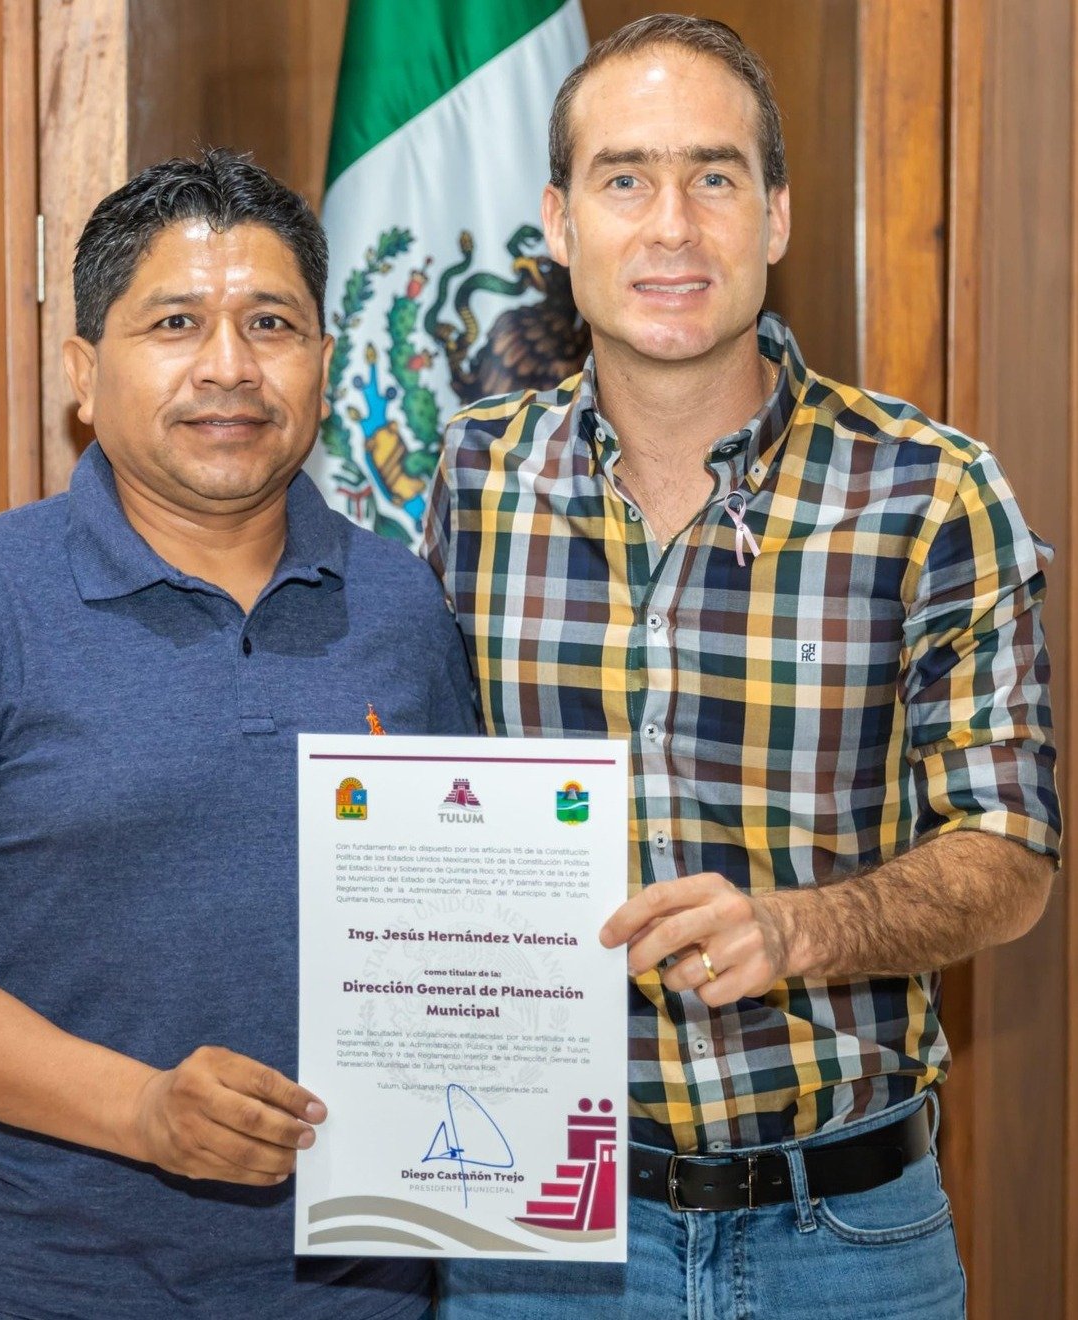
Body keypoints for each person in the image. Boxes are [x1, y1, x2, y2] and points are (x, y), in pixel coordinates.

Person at [422, 16, 1059, 1319]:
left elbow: (1010, 859)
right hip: (535, 1227)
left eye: (713, 177)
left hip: (847, 1236)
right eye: (624, 178)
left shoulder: (929, 493)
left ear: (773, 217)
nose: (670, 226)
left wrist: (791, 930)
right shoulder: (469, 480)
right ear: (555, 220)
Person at [0, 149, 475, 1320]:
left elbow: (470, 921)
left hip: (361, 1296)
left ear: (324, 366)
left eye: (272, 322)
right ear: (83, 371)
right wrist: (141, 1112)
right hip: (36, 1292)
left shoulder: (406, 606)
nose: (228, 367)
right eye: (175, 322)